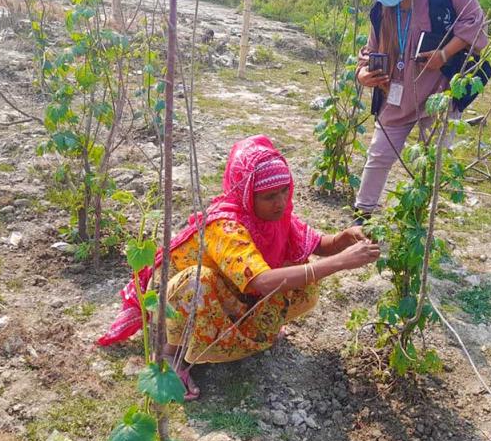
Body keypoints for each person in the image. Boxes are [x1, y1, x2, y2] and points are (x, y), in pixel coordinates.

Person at [99, 135, 380, 400]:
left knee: (299, 268)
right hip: (175, 305)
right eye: (269, 196)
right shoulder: (225, 226)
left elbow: (318, 243)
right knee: (197, 282)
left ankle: (249, 332)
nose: (281, 202)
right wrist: (340, 262)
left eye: (285, 191)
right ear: (248, 193)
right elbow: (261, 281)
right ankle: (169, 353)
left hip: (228, 287)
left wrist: (344, 238)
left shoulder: (275, 218)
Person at [354, 0, 489, 222]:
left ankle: (415, 222)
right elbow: (369, 51)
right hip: (397, 91)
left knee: (432, 160)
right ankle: (362, 214)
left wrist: (444, 53)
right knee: (379, 152)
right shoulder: (382, 8)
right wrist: (363, 74)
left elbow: (475, 22)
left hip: (440, 91)